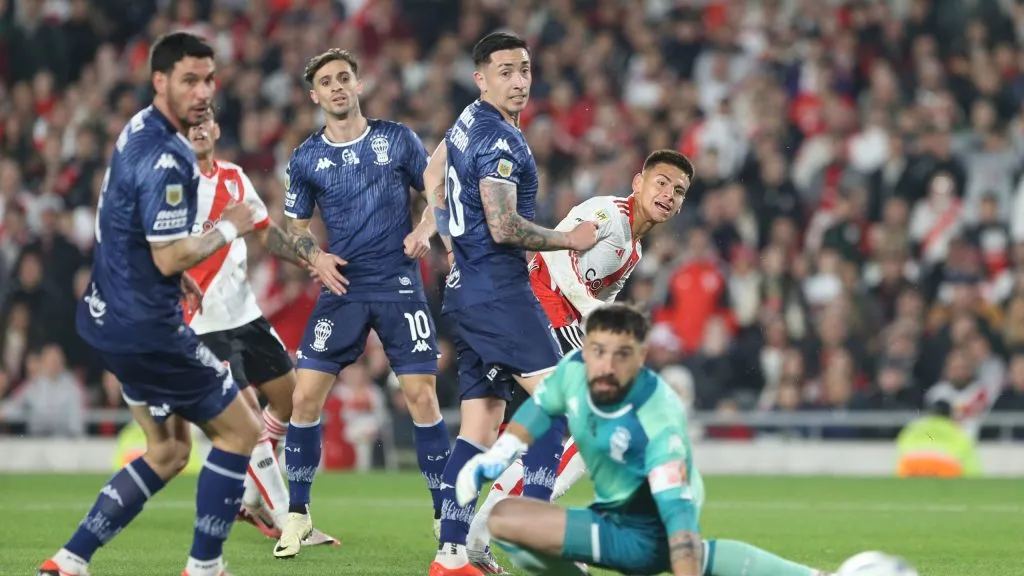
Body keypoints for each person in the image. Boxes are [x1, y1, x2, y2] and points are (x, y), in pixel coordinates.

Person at [38, 32, 260, 576]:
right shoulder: (171, 157)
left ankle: (69, 560)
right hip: (149, 331)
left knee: (167, 452)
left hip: (104, 316)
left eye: (209, 79)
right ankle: (204, 568)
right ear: (159, 81)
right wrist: (229, 226)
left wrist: (172, 275)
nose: (203, 92)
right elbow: (169, 255)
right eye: (189, 80)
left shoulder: (137, 126)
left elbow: (126, 222)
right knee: (241, 432)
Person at [456, 304, 834, 576]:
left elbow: (678, 516)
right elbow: (540, 409)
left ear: (641, 358)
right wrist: (498, 455)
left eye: (621, 355)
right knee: (507, 521)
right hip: (607, 519)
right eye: (598, 351)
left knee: (685, 554)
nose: (606, 365)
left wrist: (681, 552)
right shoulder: (574, 371)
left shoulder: (658, 418)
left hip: (652, 529)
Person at [422, 31, 599, 576]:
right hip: (500, 291)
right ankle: (536, 539)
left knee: (479, 426)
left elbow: (431, 174)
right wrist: (568, 239)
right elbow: (502, 226)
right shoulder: (499, 139)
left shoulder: (466, 121)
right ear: (481, 78)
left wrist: (449, 239)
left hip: (467, 293)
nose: (519, 81)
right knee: (559, 411)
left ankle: (450, 556)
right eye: (505, 71)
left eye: (524, 69)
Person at [466, 149, 695, 561]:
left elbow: (602, 300)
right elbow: (556, 251)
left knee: (569, 434)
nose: (669, 194)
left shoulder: (635, 251)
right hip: (538, 310)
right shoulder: (607, 213)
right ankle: (514, 524)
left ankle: (483, 532)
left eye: (678, 191)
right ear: (638, 182)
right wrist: (590, 312)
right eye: (661, 183)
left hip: (558, 323)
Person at [275, 48, 451, 559]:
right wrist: (315, 257)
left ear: (358, 84)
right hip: (343, 287)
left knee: (422, 397)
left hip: (398, 283)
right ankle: (298, 514)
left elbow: (437, 193)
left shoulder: (397, 139)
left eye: (343, 78)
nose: (336, 87)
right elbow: (293, 228)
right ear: (315, 95)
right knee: (304, 398)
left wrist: (424, 230)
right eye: (326, 82)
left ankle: (446, 516)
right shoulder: (306, 157)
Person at [184, 111, 343, 546]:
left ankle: (252, 498)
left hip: (245, 316)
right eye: (189, 124)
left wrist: (310, 258)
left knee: (292, 399)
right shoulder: (172, 188)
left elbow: (265, 232)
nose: (198, 129)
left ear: (217, 129)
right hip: (202, 321)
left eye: (205, 122)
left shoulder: (234, 178)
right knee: (247, 420)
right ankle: (289, 519)